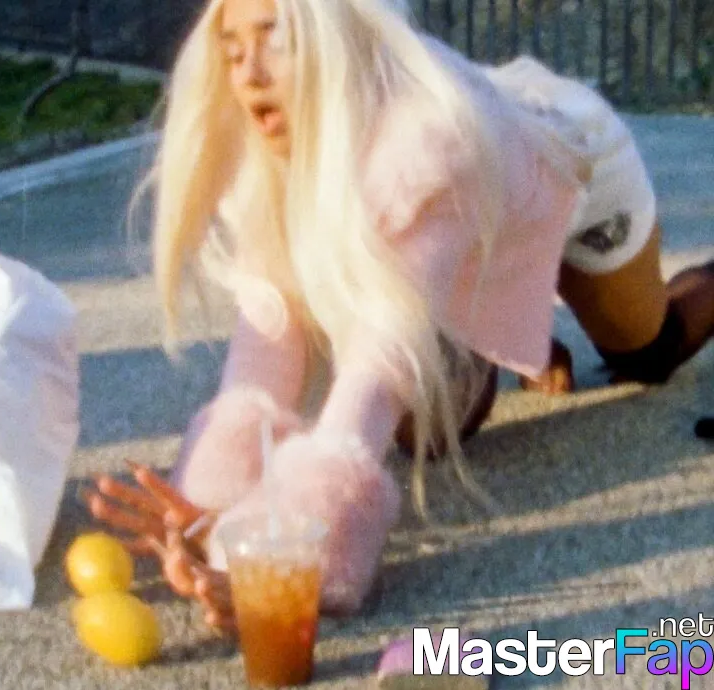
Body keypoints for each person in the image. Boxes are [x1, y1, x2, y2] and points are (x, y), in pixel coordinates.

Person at [84, 0, 714, 634]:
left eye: (273, 41)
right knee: (430, 433)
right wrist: (209, 511)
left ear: (332, 41)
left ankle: (542, 305)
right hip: (467, 231)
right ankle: (515, 324)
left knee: (646, 351)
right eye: (232, 50)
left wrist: (300, 566)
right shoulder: (257, 153)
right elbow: (268, 341)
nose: (248, 73)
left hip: (567, 158)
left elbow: (378, 369)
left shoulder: (430, 144)